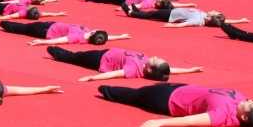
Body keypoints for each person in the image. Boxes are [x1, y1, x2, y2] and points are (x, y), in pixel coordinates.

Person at [97, 83, 253, 127]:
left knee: (134, 95)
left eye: (252, 105)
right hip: (183, 88)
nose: (251, 101)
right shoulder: (242, 104)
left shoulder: (223, 115)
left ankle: (106, 91)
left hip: (166, 100)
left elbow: (190, 121)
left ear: (244, 117)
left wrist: (160, 123)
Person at [46, 46, 203, 82]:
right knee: (78, 55)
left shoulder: (134, 69)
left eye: (155, 59)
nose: (154, 56)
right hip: (108, 52)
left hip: (100, 59)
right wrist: (190, 70)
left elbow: (115, 74)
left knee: (75, 57)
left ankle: (55, 52)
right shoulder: (147, 65)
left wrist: (91, 78)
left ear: (149, 68)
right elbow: (172, 70)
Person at [0, 20, 131, 46]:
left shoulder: (77, 37)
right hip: (52, 24)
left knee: (24, 28)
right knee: (25, 27)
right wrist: (120, 37)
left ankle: (5, 24)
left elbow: (60, 41)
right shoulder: (89, 33)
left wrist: (42, 42)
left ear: (93, 33)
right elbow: (107, 38)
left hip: (46, 31)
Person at [122, 5, 248, 28]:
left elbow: (184, 24)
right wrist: (241, 20)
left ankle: (132, 13)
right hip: (174, 11)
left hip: (171, 16)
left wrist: (170, 26)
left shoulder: (198, 20)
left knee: (151, 15)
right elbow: (225, 21)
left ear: (211, 18)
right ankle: (137, 11)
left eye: (215, 12)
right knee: (152, 13)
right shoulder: (204, 15)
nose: (214, 10)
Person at [0, 2, 67, 21]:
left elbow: (10, 17)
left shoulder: (23, 13)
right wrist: (58, 14)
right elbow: (47, 14)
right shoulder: (36, 13)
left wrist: (0, 18)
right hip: (7, 5)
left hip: (3, 8)